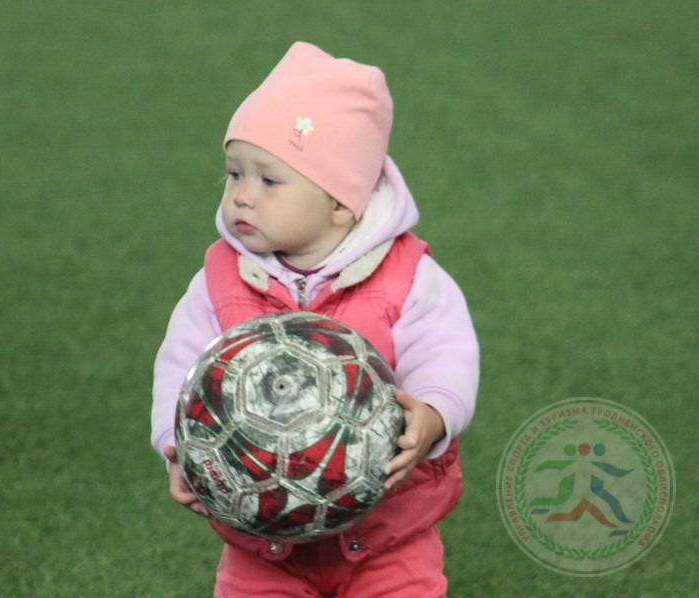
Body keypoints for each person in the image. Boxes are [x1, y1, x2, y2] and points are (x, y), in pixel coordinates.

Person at [151, 41, 479, 597]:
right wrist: (178, 441)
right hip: (264, 541)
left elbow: (446, 351)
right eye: (234, 174)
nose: (243, 196)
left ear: (341, 202)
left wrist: (434, 414)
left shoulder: (408, 276)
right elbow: (181, 364)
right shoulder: (220, 278)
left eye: (269, 180)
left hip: (388, 536)